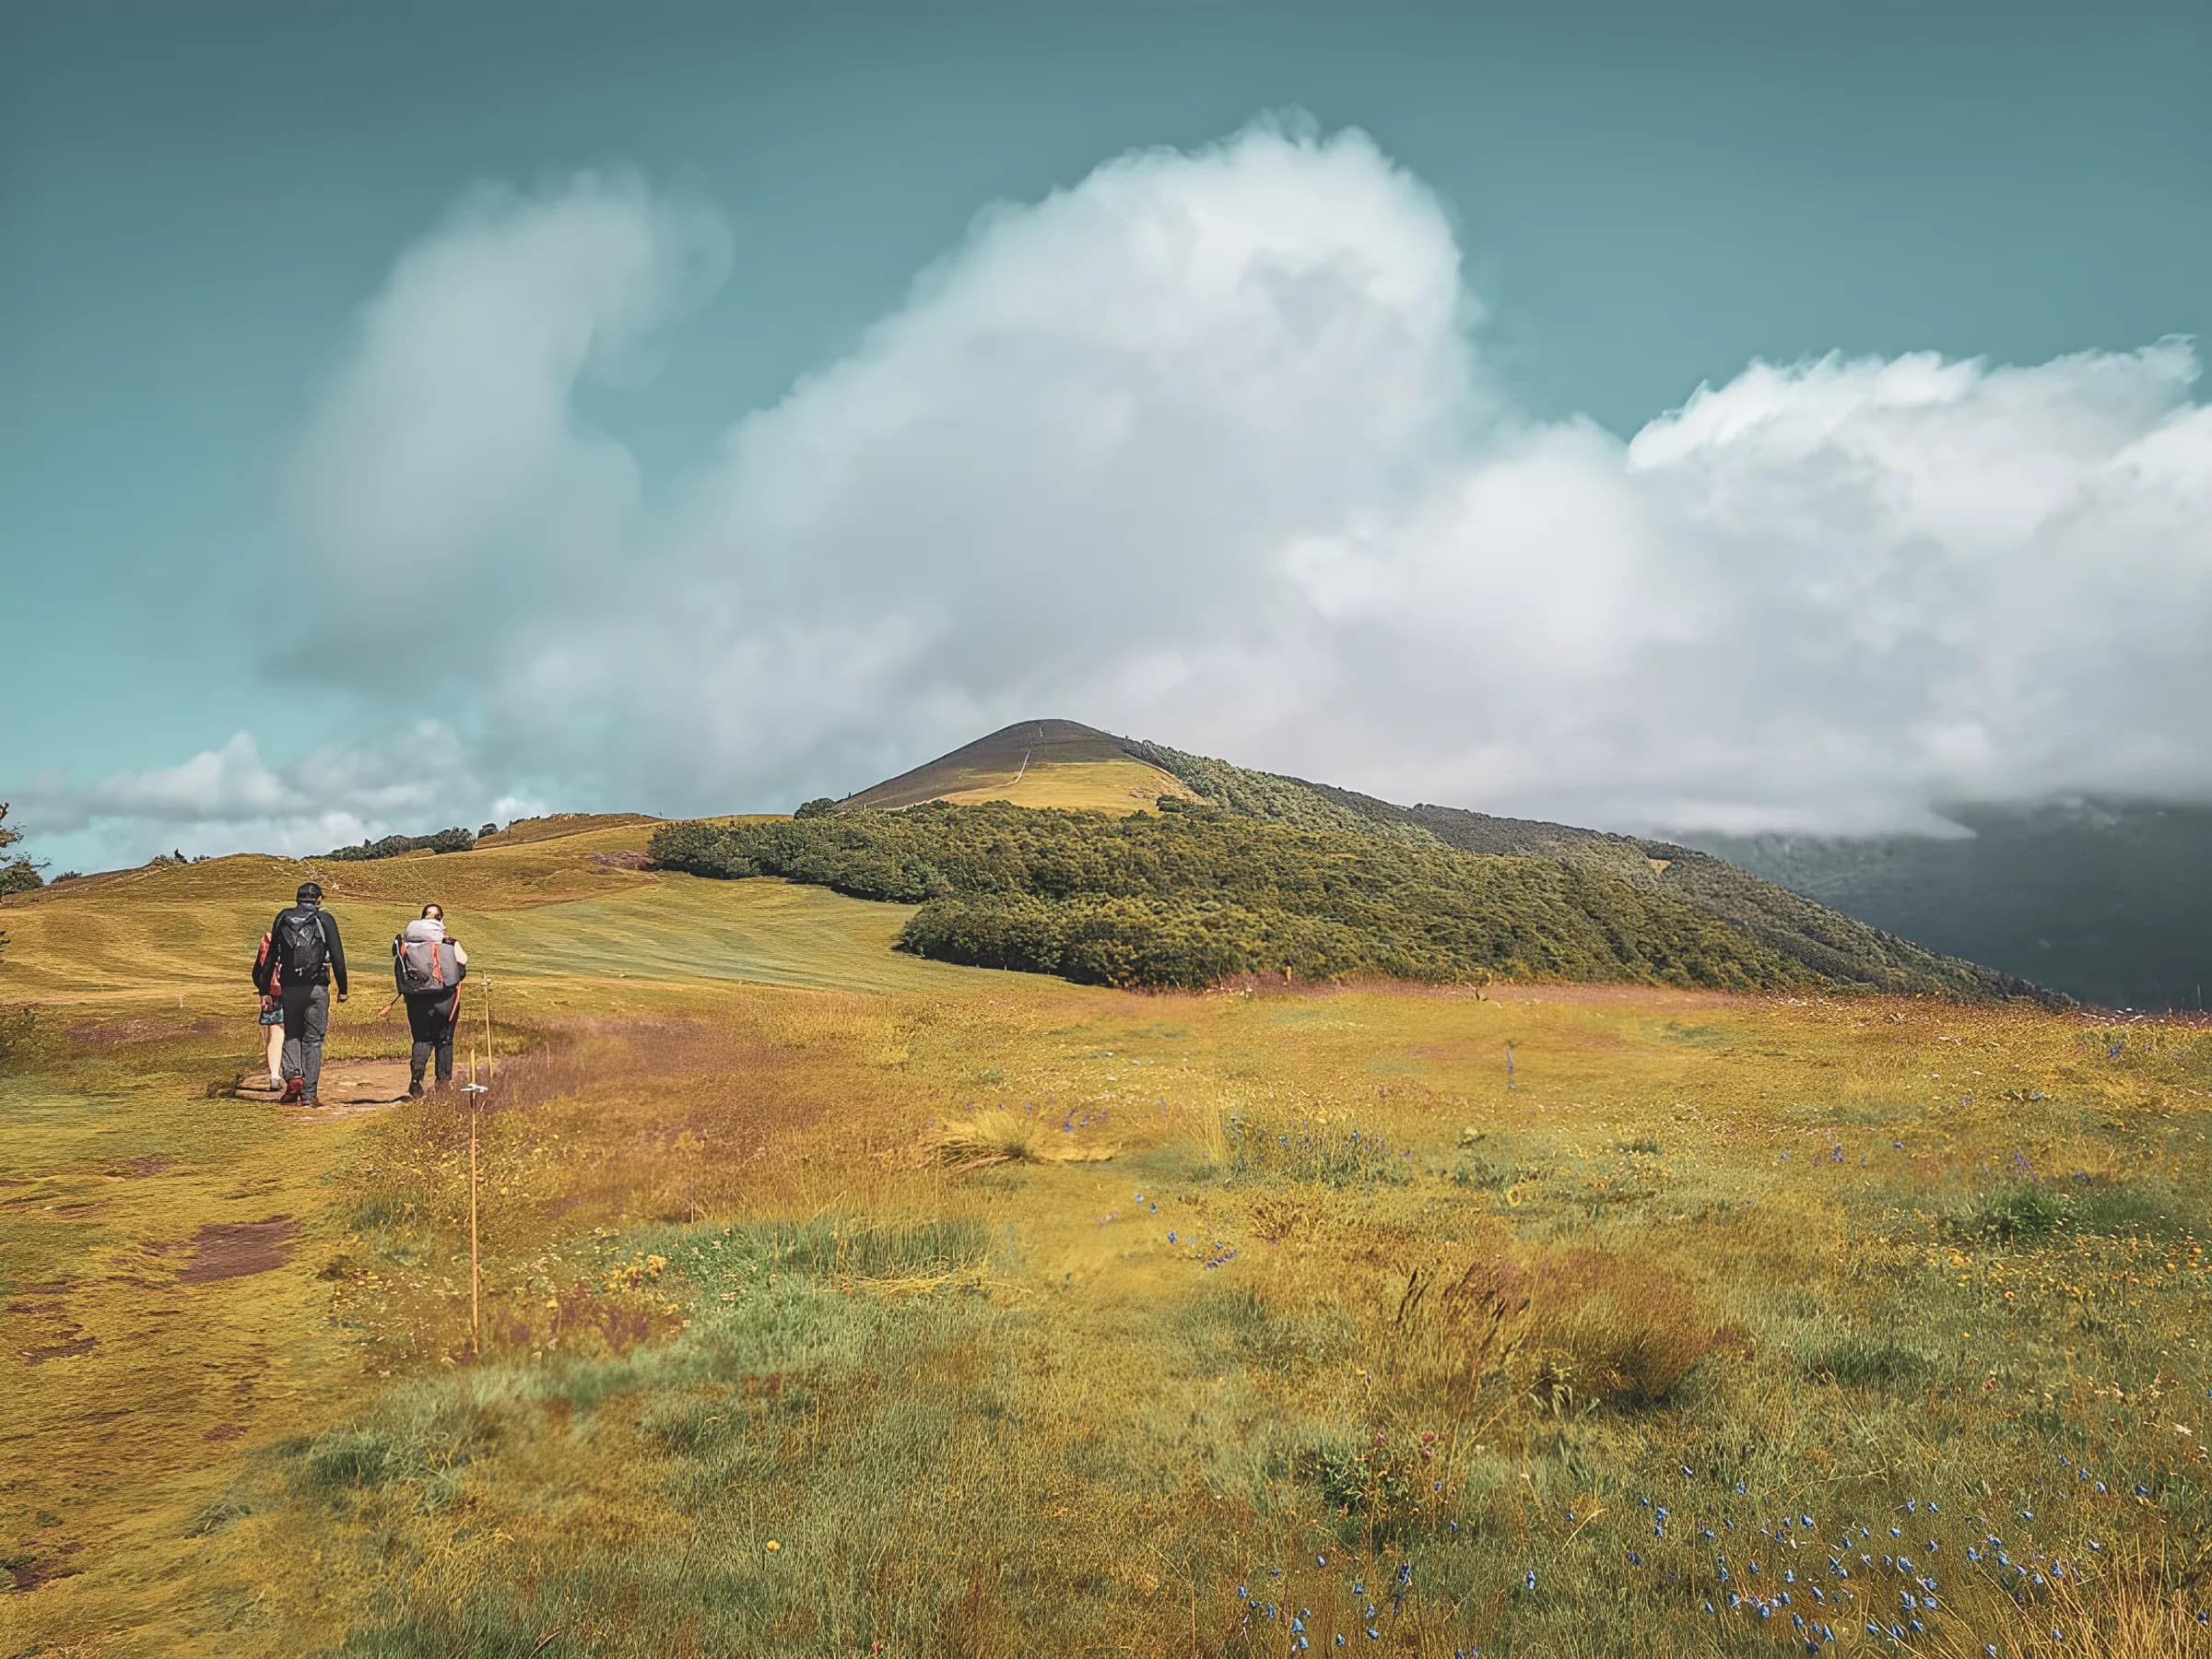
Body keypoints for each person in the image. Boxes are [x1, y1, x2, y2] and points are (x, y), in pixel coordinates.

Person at [250, 880, 347, 1105]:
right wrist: (343, 989)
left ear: (297, 898)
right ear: (319, 899)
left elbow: (271, 956)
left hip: (289, 988)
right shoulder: (325, 919)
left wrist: (264, 990)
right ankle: (310, 1094)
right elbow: (337, 956)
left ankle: (293, 1076)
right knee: (313, 1040)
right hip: (317, 987)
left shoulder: (283, 917)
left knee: (292, 1033)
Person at [394, 901, 467, 1099]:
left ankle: (416, 1080)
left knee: (421, 1038)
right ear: (440, 920)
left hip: (417, 997)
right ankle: (443, 1084)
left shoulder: (408, 942)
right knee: (444, 1040)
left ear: (422, 917)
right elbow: (463, 961)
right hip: (445, 997)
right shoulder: (449, 941)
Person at [251, 929, 286, 1089]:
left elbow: (257, 971)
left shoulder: (268, 939)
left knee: (274, 1034)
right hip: (294, 990)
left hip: (271, 991)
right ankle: (291, 1072)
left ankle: (274, 1075)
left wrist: (263, 991)